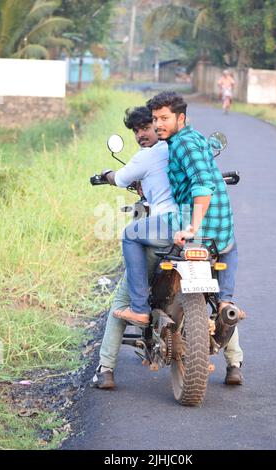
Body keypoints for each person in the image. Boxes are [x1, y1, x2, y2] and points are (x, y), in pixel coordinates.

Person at [146, 91, 244, 385]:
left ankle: (141, 304)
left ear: (180, 118)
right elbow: (208, 157)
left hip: (199, 228)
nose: (158, 124)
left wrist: (192, 227)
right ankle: (228, 310)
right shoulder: (195, 140)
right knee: (228, 258)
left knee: (135, 238)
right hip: (220, 233)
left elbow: (202, 184)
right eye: (154, 119)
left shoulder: (183, 146)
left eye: (164, 118)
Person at [92, 106, 178, 389]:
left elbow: (119, 178)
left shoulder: (147, 156)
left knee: (123, 295)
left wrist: (105, 174)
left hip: (163, 231)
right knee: (212, 293)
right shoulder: (180, 148)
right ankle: (235, 361)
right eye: (137, 130)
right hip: (195, 229)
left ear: (158, 123)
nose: (142, 134)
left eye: (146, 126)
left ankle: (105, 370)